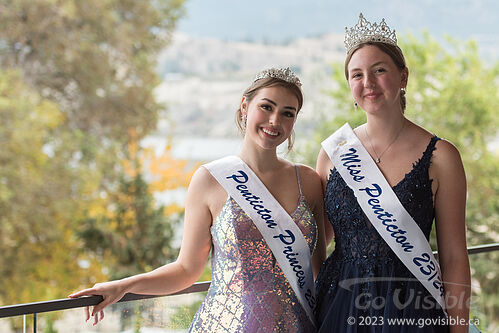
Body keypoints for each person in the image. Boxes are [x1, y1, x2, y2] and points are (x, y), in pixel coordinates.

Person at [69, 67, 326, 332]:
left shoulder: (307, 181)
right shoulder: (210, 179)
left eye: (287, 113)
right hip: (228, 325)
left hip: (298, 324)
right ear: (244, 105)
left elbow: (320, 270)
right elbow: (186, 270)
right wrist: (123, 285)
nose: (274, 121)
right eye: (266, 107)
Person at [314, 14, 471, 333]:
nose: (367, 83)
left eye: (379, 70)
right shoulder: (334, 153)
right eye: (356, 74)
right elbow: (317, 241)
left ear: (403, 77)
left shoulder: (442, 157)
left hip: (409, 309)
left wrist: (459, 329)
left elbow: (454, 255)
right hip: (339, 306)